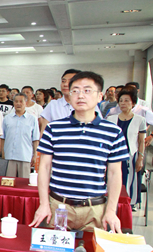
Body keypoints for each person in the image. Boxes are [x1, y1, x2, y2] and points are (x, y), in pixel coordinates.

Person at [29, 71, 129, 233]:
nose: (80, 95)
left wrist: (111, 211)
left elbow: (114, 173)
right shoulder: (54, 129)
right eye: (75, 90)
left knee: (91, 249)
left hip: (94, 209)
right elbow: (45, 168)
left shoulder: (113, 132)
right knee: (55, 248)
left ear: (100, 96)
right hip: (58, 206)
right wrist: (44, 204)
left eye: (87, 90)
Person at [106, 87, 146, 210]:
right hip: (114, 155)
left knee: (130, 180)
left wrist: (140, 158)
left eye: (127, 100)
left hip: (131, 154)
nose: (123, 103)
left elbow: (141, 141)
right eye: (121, 100)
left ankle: (129, 204)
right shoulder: (111, 119)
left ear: (133, 103)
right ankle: (113, 203)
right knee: (113, 178)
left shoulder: (140, 120)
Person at [39, 69, 102, 134]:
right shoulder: (53, 105)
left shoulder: (89, 106)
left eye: (70, 81)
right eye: (63, 81)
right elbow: (43, 131)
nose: (65, 84)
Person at [0, 93, 39, 178]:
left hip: (25, 156)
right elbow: (3, 137)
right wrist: (3, 152)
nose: (18, 103)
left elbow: (35, 139)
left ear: (26, 103)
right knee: (9, 181)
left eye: (21, 101)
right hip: (9, 156)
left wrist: (35, 155)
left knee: (24, 182)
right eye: (16, 101)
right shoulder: (7, 118)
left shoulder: (32, 119)